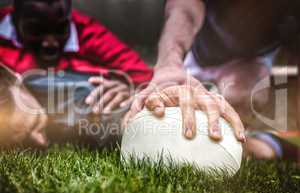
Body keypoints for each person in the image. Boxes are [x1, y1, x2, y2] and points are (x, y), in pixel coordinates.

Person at [126, 0, 300, 159]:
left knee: (238, 101)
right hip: (197, 51)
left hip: (251, 62)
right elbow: (185, 7)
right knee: (158, 103)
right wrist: (169, 66)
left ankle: (267, 143)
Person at [0, 0, 153, 147]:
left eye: (60, 30)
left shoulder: (87, 31)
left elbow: (143, 76)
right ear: (14, 18)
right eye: (35, 30)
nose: (50, 43)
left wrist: (126, 86)